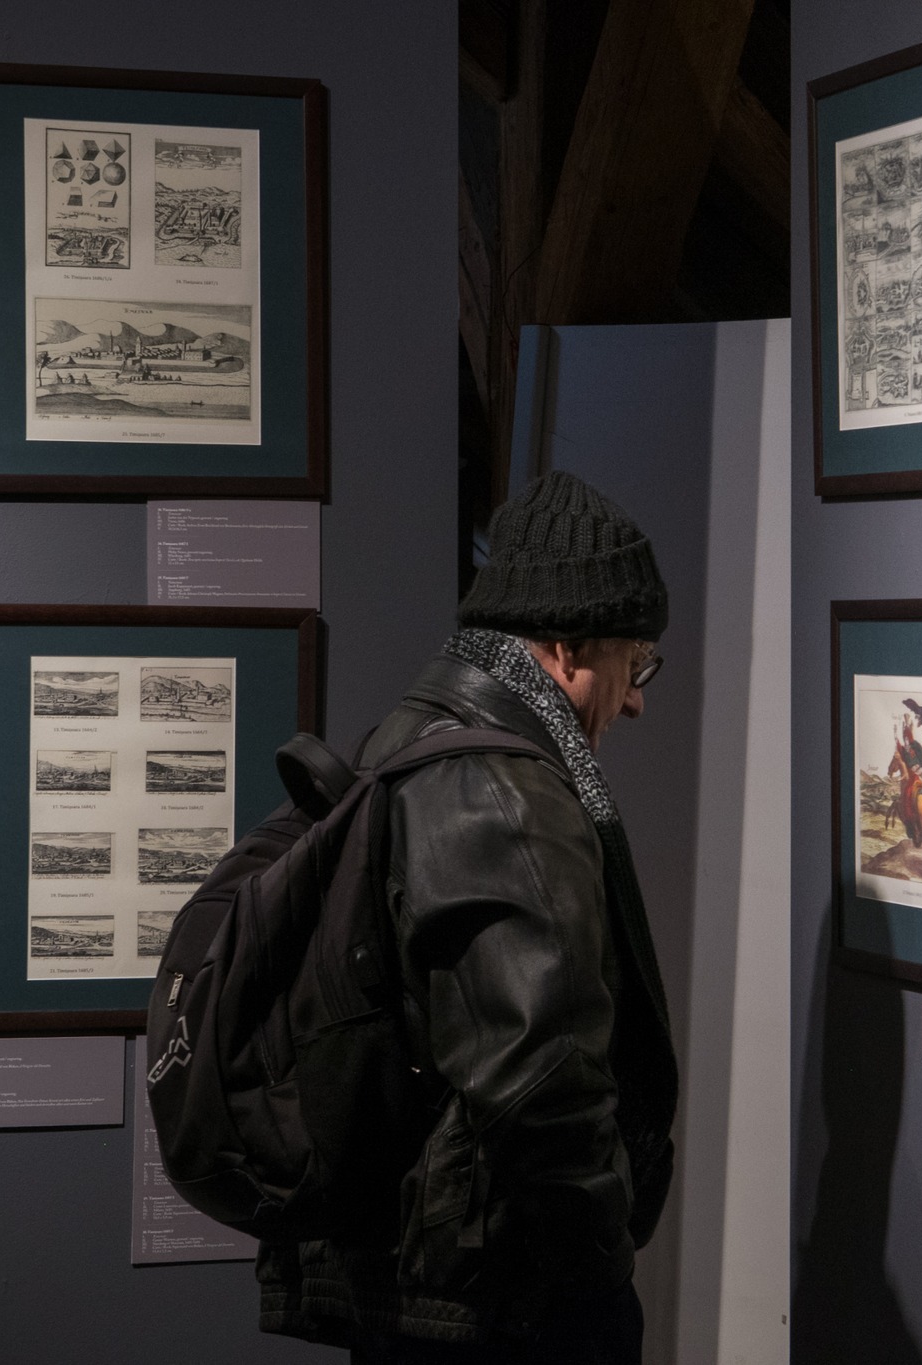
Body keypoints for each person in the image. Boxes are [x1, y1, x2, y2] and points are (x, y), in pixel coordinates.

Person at [258, 471, 678, 1364]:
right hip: (497, 1300)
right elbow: (541, 1079)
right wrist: (602, 1269)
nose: (638, 697)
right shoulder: (505, 791)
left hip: (420, 1275)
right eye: (634, 661)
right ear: (565, 648)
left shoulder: (408, 736)